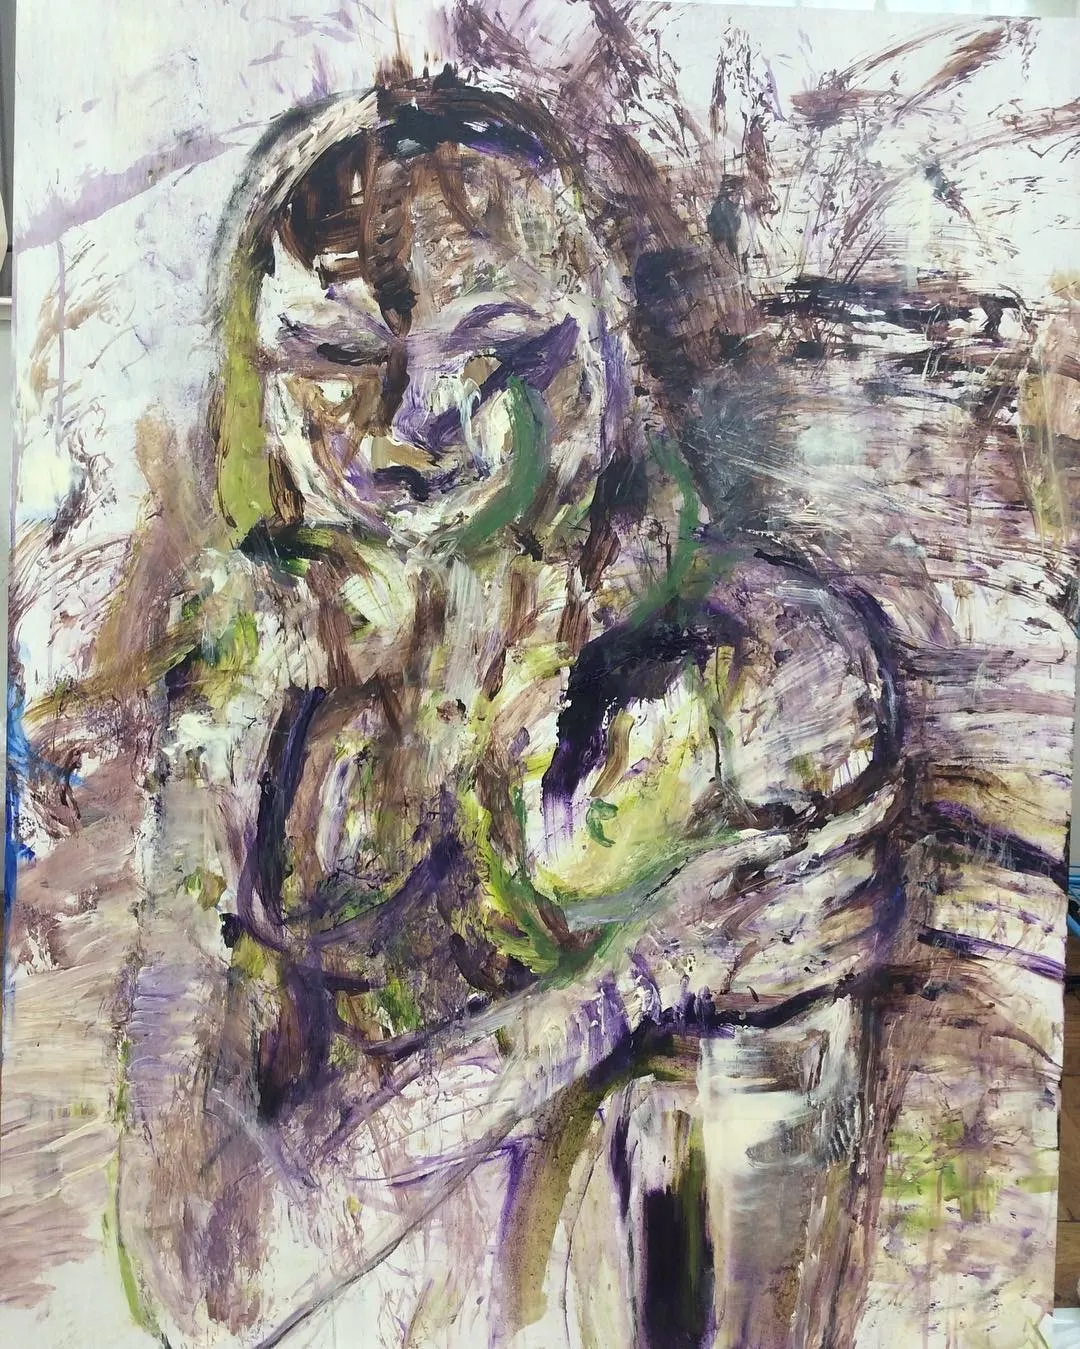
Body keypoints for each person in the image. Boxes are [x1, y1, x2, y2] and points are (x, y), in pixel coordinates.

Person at [112, 61, 1056, 1349]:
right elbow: (204, 1280)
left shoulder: (761, 684)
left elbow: (739, 1295)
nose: (410, 424)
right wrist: (634, 975)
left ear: (597, 365)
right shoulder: (247, 683)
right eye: (336, 357)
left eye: (496, 352)